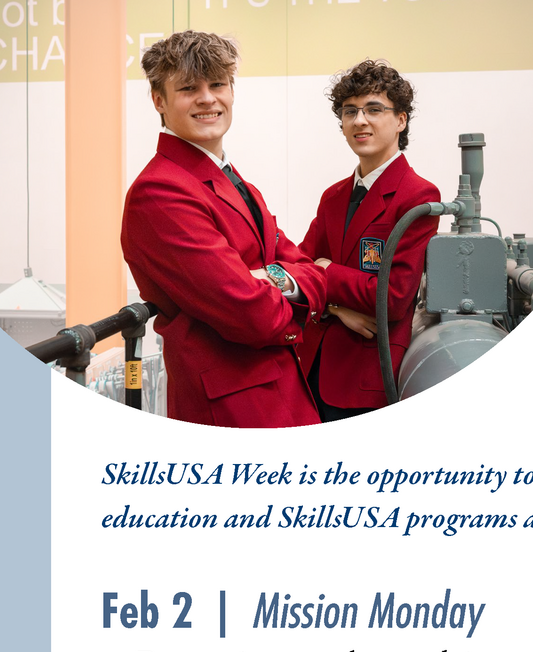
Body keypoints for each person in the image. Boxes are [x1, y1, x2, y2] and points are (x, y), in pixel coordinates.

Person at [121, 31, 327, 428]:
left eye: (217, 84)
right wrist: (293, 285)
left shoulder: (234, 181)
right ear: (158, 100)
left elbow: (307, 267)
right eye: (188, 88)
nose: (207, 98)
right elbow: (253, 315)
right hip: (234, 409)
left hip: (275, 391)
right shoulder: (160, 192)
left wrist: (270, 277)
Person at [298, 60, 440, 420]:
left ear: (401, 120)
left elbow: (391, 298)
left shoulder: (417, 196)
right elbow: (299, 268)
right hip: (311, 371)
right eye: (350, 111)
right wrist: (336, 308)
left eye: (374, 109)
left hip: (368, 379)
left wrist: (325, 271)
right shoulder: (333, 196)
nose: (359, 120)